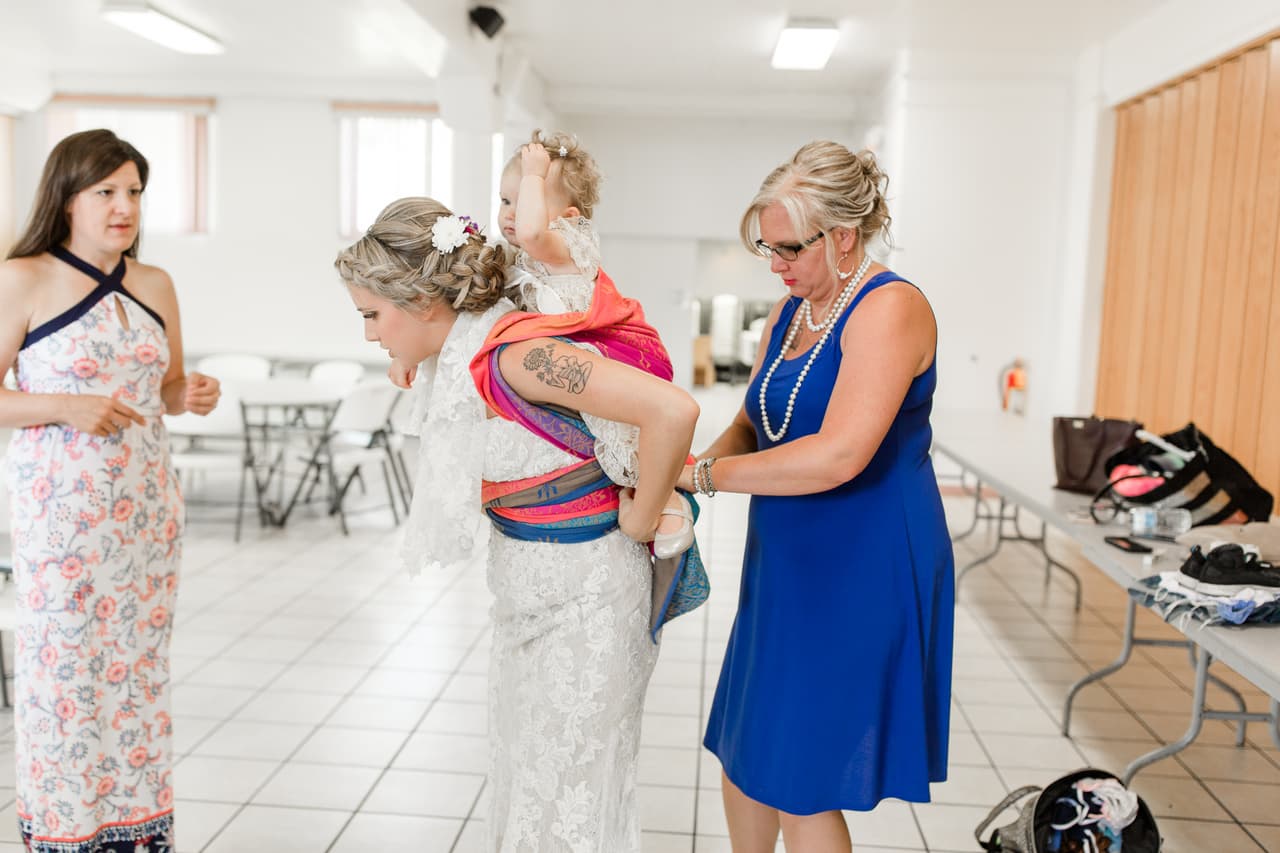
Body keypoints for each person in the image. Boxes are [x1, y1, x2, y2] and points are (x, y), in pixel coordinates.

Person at [335, 197, 699, 851]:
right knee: (525, 774)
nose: (367, 333)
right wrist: (414, 361)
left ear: (422, 300)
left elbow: (671, 410)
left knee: (571, 788)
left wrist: (643, 515)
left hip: (590, 596)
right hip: (525, 587)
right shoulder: (459, 352)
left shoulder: (517, 357)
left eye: (371, 314)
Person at [679, 141, 954, 852]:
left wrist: (704, 478)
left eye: (788, 249)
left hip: (863, 560)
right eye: (768, 249)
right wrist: (694, 466)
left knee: (801, 778)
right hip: (788, 561)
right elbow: (751, 423)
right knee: (744, 753)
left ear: (843, 236)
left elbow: (839, 453)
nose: (776, 266)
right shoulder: (790, 312)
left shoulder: (889, 309)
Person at [0, 128, 221, 852]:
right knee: (64, 675)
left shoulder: (154, 283)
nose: (124, 206)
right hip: (60, 519)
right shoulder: (24, 277)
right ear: (67, 197)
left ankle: (134, 835)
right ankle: (66, 834)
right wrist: (64, 404)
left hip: (147, 513)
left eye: (133, 192)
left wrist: (190, 392)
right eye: (107, 191)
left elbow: (164, 388)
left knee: (134, 675)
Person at [389, 129, 695, 558]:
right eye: (504, 200)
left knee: (628, 441)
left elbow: (533, 232)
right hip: (567, 357)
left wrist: (534, 171)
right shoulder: (520, 260)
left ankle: (668, 501)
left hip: (609, 349)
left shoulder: (565, 246)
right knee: (603, 443)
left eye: (525, 198)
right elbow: (469, 320)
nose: (510, 214)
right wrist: (417, 356)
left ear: (568, 217)